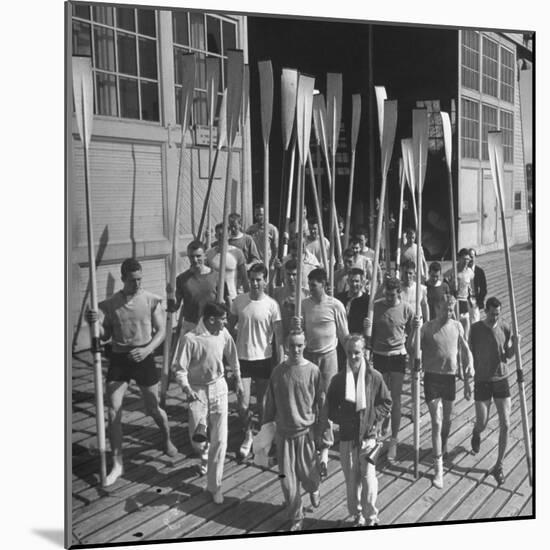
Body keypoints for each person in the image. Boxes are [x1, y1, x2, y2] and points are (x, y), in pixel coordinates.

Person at [86, 258, 177, 486]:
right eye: (133, 280)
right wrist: (93, 323)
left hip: (143, 358)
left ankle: (166, 437)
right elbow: (105, 335)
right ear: (123, 277)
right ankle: (118, 463)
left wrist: (147, 350)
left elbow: (161, 331)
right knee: (112, 411)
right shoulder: (111, 304)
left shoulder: (149, 300)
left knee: (153, 408)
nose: (137, 283)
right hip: (119, 358)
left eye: (140, 279)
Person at [172, 302, 244, 502]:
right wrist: (186, 388)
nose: (226, 322)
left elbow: (232, 355)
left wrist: (237, 379)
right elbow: (179, 369)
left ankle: (214, 486)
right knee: (198, 440)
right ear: (211, 319)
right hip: (197, 392)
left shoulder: (223, 333)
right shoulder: (190, 339)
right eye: (223, 319)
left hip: (219, 389)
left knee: (220, 441)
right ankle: (204, 453)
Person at [327, 334, 392, 527]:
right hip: (347, 437)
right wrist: (342, 420)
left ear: (364, 352)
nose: (353, 356)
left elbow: (387, 402)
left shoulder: (374, 377)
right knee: (351, 480)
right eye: (349, 353)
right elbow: (330, 406)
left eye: (357, 352)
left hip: (368, 437)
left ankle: (371, 517)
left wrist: (374, 418)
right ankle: (357, 514)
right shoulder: (339, 380)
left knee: (369, 478)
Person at [410, 295, 473, 489]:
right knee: (436, 422)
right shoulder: (427, 327)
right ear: (437, 308)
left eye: (452, 309)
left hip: (449, 378)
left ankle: (443, 445)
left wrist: (470, 363)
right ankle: (438, 469)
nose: (449, 313)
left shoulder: (456, 326)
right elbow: (412, 348)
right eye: (446, 309)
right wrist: (415, 329)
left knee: (447, 420)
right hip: (431, 377)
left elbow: (465, 348)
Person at [263, 330, 322, 532]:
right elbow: (269, 404)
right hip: (284, 435)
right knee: (287, 482)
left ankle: (314, 488)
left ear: (305, 345)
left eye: (299, 345)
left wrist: (323, 434)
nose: (295, 349)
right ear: (286, 347)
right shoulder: (278, 372)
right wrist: (266, 432)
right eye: (292, 345)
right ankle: (296, 515)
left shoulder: (313, 371)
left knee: (309, 475)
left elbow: (320, 404)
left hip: (306, 433)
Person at [293, 268, 349, 474]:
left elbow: (344, 335)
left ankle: (324, 446)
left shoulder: (335, 305)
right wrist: (296, 326)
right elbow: (299, 334)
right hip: (309, 356)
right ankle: (309, 441)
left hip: (328, 357)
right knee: (308, 400)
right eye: (308, 284)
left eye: (313, 285)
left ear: (323, 284)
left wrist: (353, 360)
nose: (310, 288)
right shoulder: (304, 305)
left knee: (325, 401)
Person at [230, 263, 284, 459]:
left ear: (265, 281)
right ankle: (247, 435)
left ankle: (262, 439)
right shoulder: (238, 302)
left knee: (262, 405)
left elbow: (278, 338)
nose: (254, 283)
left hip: (264, 359)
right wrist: (229, 359)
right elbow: (228, 330)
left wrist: (280, 363)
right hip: (242, 359)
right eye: (251, 279)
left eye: (258, 279)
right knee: (242, 404)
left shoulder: (272, 305)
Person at [469, 297, 518, 485]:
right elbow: (468, 351)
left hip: (501, 379)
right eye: (492, 314)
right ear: (485, 311)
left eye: (498, 314)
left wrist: (514, 344)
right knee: (482, 422)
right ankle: (476, 432)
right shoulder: (475, 329)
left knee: (505, 423)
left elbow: (508, 355)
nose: (495, 317)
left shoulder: (505, 328)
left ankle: (499, 465)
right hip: (482, 379)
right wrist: (467, 371)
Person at [364, 277, 414, 461]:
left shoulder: (407, 308)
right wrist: (366, 329)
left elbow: (412, 336)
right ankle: (376, 437)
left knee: (396, 398)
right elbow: (368, 335)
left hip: (397, 355)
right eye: (386, 294)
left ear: (399, 293)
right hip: (379, 354)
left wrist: (415, 333)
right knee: (379, 398)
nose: (389, 298)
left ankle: (393, 439)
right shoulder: (375, 307)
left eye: (392, 295)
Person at [167, 240, 217, 337]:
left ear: (205, 255)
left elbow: (225, 303)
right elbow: (175, 307)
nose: (194, 259)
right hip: (191, 327)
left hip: (211, 325)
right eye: (191, 256)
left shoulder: (217, 277)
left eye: (198, 256)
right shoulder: (182, 279)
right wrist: (169, 294)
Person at [206, 223, 249, 302]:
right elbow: (205, 276)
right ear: (216, 236)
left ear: (229, 235)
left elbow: (244, 277)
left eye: (224, 234)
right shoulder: (209, 253)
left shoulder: (237, 253)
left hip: (232, 297)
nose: (221, 237)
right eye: (219, 234)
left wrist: (248, 298)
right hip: (214, 297)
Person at [272, 258, 309, 347]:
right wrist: (272, 271)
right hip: (281, 342)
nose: (291, 278)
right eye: (288, 274)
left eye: (294, 274)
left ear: (300, 275)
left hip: (299, 343)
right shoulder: (277, 293)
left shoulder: (307, 295)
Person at [444, 248, 475, 338]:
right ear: (459, 258)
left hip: (464, 301)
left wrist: (472, 300)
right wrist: (451, 286)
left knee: (466, 331)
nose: (466, 261)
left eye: (468, 259)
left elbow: (471, 288)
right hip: (454, 301)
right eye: (464, 259)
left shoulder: (470, 272)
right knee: (455, 330)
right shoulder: (452, 272)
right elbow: (444, 285)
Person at [469, 248, 487, 324]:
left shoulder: (479, 271)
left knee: (475, 322)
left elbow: (483, 289)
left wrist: (479, 301)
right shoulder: (463, 271)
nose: (470, 259)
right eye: (468, 257)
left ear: (475, 257)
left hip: (474, 300)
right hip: (465, 300)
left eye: (472, 257)